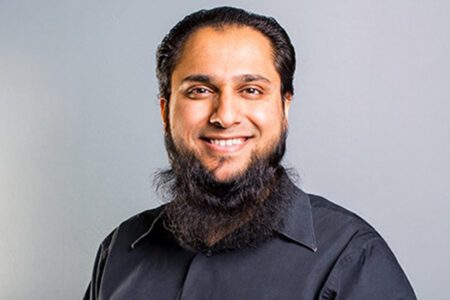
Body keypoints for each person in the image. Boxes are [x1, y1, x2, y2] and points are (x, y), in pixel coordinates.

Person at [84, 6, 416, 300]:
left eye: (251, 90)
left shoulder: (351, 256)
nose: (225, 116)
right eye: (200, 90)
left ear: (285, 107)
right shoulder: (120, 251)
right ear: (164, 110)